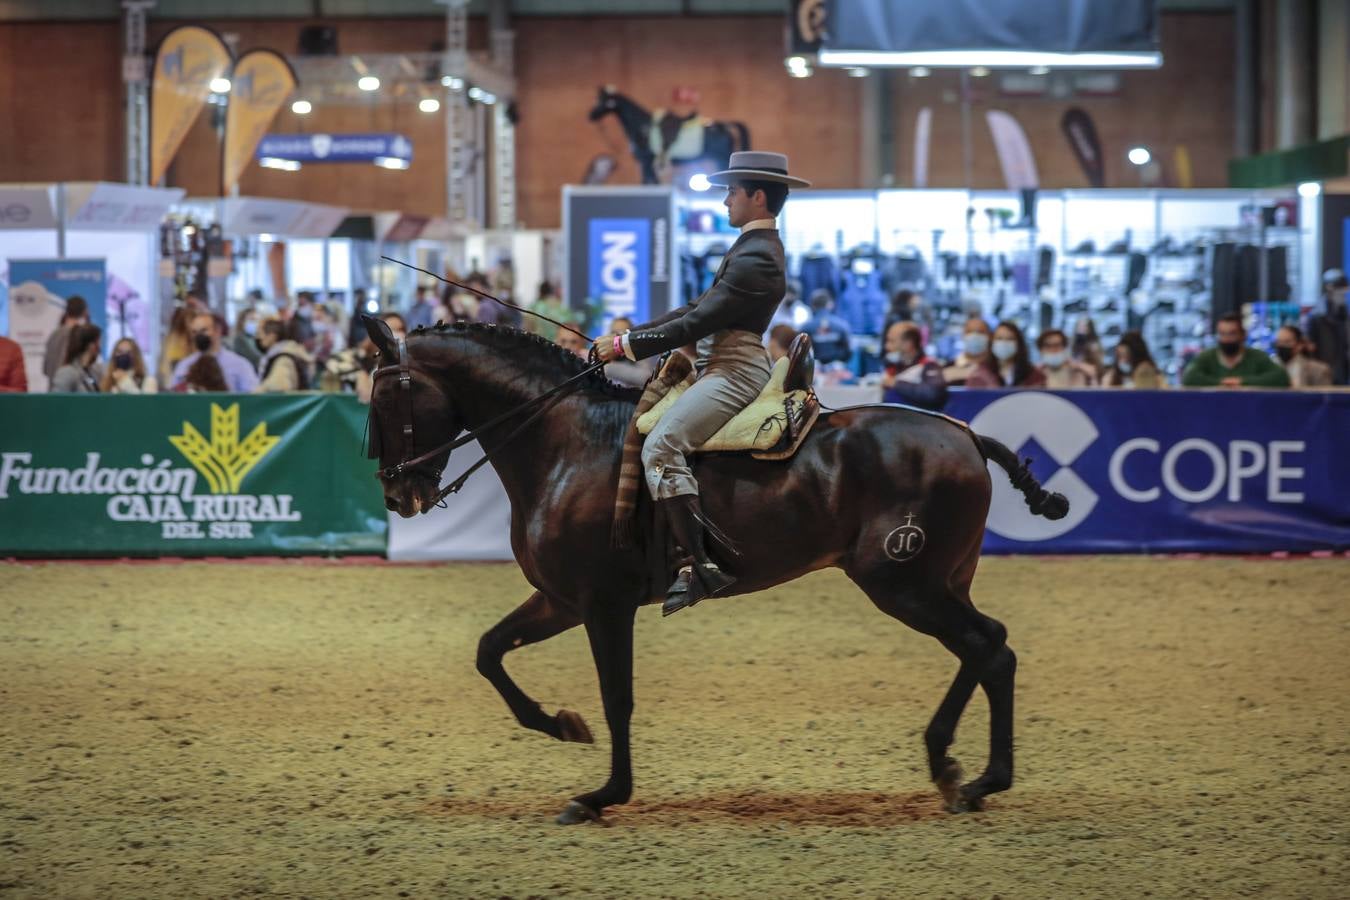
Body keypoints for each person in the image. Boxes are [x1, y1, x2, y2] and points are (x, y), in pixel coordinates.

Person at [592, 150, 807, 616]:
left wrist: (628, 346)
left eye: (732, 191)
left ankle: (701, 564)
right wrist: (625, 339)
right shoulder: (749, 249)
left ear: (757, 195)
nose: (726, 200)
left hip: (734, 370)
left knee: (663, 446)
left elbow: (700, 320)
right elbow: (693, 309)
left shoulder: (758, 257)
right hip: (718, 365)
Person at [1182, 313, 1290, 388]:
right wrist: (1222, 383)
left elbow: (1281, 377)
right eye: (1222, 334)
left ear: (1243, 335)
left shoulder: (1256, 356)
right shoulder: (1207, 356)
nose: (1227, 339)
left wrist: (1241, 382)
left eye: (1232, 333)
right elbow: (1189, 377)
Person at [170, 311, 259, 393]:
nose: (198, 336)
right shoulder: (184, 365)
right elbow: (174, 396)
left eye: (204, 330)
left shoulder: (240, 365)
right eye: (194, 332)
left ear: (217, 331)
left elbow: (252, 397)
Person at [880, 321, 947, 410]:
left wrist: (896, 383)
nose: (887, 346)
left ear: (908, 343)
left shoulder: (929, 365)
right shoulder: (893, 367)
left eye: (892, 341)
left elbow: (933, 393)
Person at [966, 321, 1046, 388]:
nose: (1004, 343)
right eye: (999, 338)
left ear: (1019, 344)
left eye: (1010, 339)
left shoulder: (1034, 375)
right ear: (992, 342)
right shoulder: (979, 375)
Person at [1306, 269, 1349, 384]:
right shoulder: (1315, 317)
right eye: (1339, 290)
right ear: (1329, 288)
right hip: (1323, 372)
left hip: (1342, 371)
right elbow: (1310, 348)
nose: (1342, 294)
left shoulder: (1344, 314)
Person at [254, 318, 316, 392]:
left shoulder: (283, 358)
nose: (258, 338)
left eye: (260, 334)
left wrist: (253, 396)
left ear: (272, 336)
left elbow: (277, 387)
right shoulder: (290, 353)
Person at [42, 294, 88, 384]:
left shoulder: (54, 335)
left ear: (66, 311)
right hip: (72, 393)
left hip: (54, 391)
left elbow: (45, 369)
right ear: (85, 312)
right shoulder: (82, 336)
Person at [802, 289, 852, 366]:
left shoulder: (805, 328)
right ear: (830, 304)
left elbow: (801, 352)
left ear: (813, 306)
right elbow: (849, 350)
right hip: (838, 370)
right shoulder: (842, 325)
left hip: (814, 370)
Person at [602, 316, 657, 387]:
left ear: (630, 337)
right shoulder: (601, 355)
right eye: (614, 333)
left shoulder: (637, 352)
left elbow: (645, 378)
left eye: (621, 334)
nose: (617, 338)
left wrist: (607, 367)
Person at [49, 323, 104, 393]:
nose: (100, 347)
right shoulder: (66, 372)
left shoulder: (94, 370)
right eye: (99, 342)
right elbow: (57, 401)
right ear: (91, 345)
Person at [1102, 331, 1166, 388]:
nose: (1123, 361)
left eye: (1126, 356)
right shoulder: (1111, 377)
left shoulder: (1150, 373)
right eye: (1119, 356)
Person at [943, 317, 992, 385]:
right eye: (970, 332)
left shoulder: (996, 367)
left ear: (989, 336)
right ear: (963, 336)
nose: (975, 336)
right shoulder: (948, 368)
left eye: (980, 332)